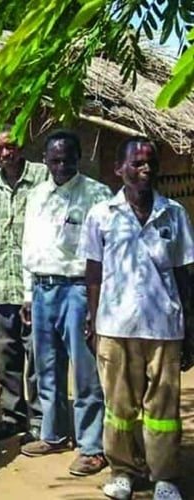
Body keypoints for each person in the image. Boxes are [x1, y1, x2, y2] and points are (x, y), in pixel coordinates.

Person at [79, 137, 194, 500]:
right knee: (119, 407)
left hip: (164, 327)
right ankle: (123, 471)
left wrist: (189, 328)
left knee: (163, 409)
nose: (146, 169)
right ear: (119, 170)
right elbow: (93, 275)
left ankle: (164, 477)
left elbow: (184, 274)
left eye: (150, 163)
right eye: (137, 163)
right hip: (115, 326)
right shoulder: (101, 215)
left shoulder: (174, 214)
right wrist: (93, 322)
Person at [19, 130, 111, 476]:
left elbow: (103, 255)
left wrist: (95, 303)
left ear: (78, 157)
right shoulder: (37, 195)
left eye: (67, 159)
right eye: (54, 160)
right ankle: (54, 434)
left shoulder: (96, 195)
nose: (60, 166)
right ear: (45, 160)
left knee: (85, 372)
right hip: (43, 290)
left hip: (77, 290)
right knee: (46, 367)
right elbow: (29, 245)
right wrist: (29, 294)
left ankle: (92, 446)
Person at [0, 127, 47, 442]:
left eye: (11, 147)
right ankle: (12, 416)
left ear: (21, 146)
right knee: (5, 356)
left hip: (33, 285)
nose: (6, 154)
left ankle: (38, 419)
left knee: (36, 355)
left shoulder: (42, 176)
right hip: (0, 284)